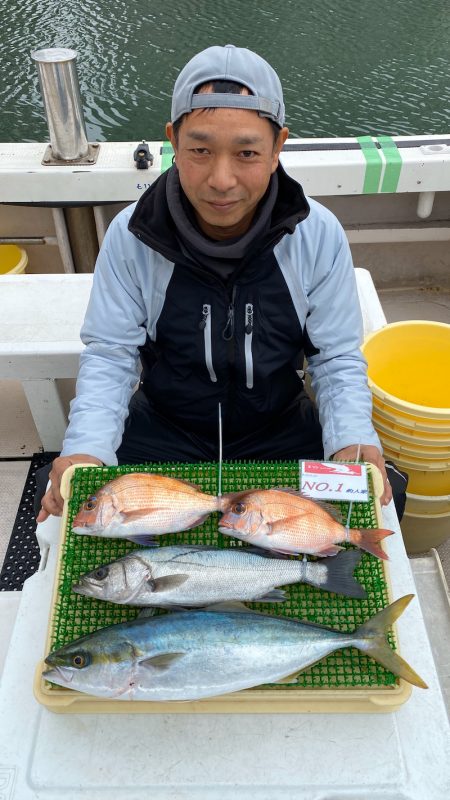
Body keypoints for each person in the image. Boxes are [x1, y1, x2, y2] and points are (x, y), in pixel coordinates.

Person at [36, 43, 407, 523]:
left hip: (278, 428)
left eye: (247, 152)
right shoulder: (131, 236)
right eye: (200, 150)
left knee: (372, 505)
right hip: (165, 427)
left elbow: (334, 359)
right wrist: (87, 449)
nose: (222, 179)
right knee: (80, 509)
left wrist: (353, 439)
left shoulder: (318, 235)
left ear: (278, 149)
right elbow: (111, 355)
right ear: (173, 141)